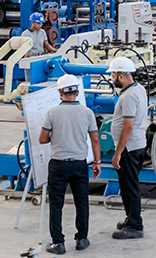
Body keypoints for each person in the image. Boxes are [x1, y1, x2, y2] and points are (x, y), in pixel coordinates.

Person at [38, 74, 100, 254]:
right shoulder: (87, 113)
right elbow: (95, 140)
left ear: (60, 93)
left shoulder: (52, 113)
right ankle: (82, 239)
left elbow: (42, 139)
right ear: (77, 92)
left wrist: (56, 136)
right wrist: (96, 162)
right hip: (79, 164)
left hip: (58, 164)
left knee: (56, 204)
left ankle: (58, 243)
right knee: (82, 202)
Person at [107, 56, 148, 240]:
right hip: (136, 145)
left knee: (129, 187)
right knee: (128, 185)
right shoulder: (138, 88)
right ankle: (131, 218)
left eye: (113, 75)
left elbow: (128, 126)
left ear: (122, 75)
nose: (112, 78)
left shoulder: (129, 96)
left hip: (129, 148)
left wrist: (118, 153)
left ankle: (135, 226)